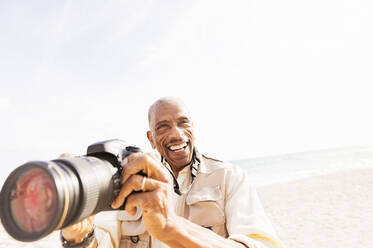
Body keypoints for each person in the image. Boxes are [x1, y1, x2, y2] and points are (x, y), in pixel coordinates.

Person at [60, 97, 283, 248]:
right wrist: (79, 236)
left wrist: (172, 227)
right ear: (151, 138)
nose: (176, 134)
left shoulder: (229, 178)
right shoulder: (128, 183)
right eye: (163, 127)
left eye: (182, 122)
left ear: (193, 128)